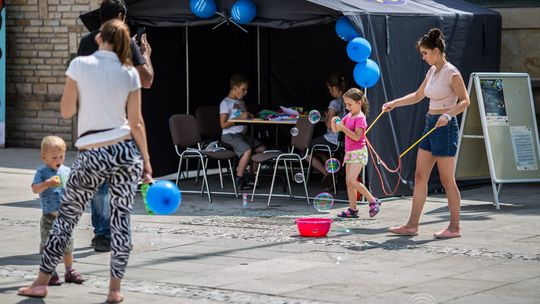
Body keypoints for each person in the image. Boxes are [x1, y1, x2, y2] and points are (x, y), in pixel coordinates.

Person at [18, 19, 152, 303]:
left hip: (92, 152)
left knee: (66, 218)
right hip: (124, 152)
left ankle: (41, 282)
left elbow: (67, 112)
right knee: (121, 222)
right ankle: (114, 290)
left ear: (99, 38)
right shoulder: (129, 72)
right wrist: (147, 162)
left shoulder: (80, 66)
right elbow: (137, 122)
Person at [78, 0, 154, 252]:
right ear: (121, 15)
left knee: (99, 184)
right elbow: (147, 81)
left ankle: (102, 234)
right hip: (119, 125)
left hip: (91, 124)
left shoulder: (86, 42)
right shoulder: (127, 43)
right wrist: (144, 55)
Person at [382, 28, 470, 239]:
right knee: (420, 176)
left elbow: (465, 100)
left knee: (447, 179)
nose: (423, 57)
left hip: (445, 126)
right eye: (422, 53)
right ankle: (412, 225)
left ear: (437, 52)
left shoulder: (452, 72)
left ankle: (455, 227)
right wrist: (395, 103)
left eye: (425, 53)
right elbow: (418, 95)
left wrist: (448, 115)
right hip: (430, 123)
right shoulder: (432, 71)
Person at [31, 136, 85, 286]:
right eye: (54, 157)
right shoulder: (41, 172)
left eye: (61, 156)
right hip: (49, 217)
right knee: (48, 246)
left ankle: (70, 271)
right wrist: (47, 183)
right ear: (44, 158)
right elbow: (35, 188)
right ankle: (51, 272)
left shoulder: (66, 170)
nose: (58, 160)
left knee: (68, 246)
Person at [331, 88, 381, 218]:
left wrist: (343, 128)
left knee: (352, 180)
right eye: (346, 104)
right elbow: (336, 129)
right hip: (350, 152)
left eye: (350, 104)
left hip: (358, 152)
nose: (347, 108)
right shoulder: (349, 116)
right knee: (349, 182)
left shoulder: (360, 118)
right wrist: (333, 122)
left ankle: (373, 201)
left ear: (359, 103)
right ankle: (353, 209)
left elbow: (357, 137)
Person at [219, 73, 266, 190]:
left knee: (262, 150)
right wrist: (239, 119)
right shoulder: (225, 103)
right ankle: (239, 179)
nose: (245, 92)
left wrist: (248, 116)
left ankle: (250, 176)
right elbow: (223, 124)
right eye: (243, 89)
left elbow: (241, 116)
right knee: (247, 150)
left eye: (246, 90)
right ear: (235, 88)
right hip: (229, 135)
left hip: (242, 135)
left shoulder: (241, 102)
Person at [310, 72, 348, 190]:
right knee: (318, 146)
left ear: (334, 88)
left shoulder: (334, 103)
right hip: (343, 140)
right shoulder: (348, 100)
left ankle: (328, 173)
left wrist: (327, 116)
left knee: (306, 148)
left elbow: (328, 124)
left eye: (329, 89)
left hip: (332, 139)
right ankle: (332, 169)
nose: (330, 92)